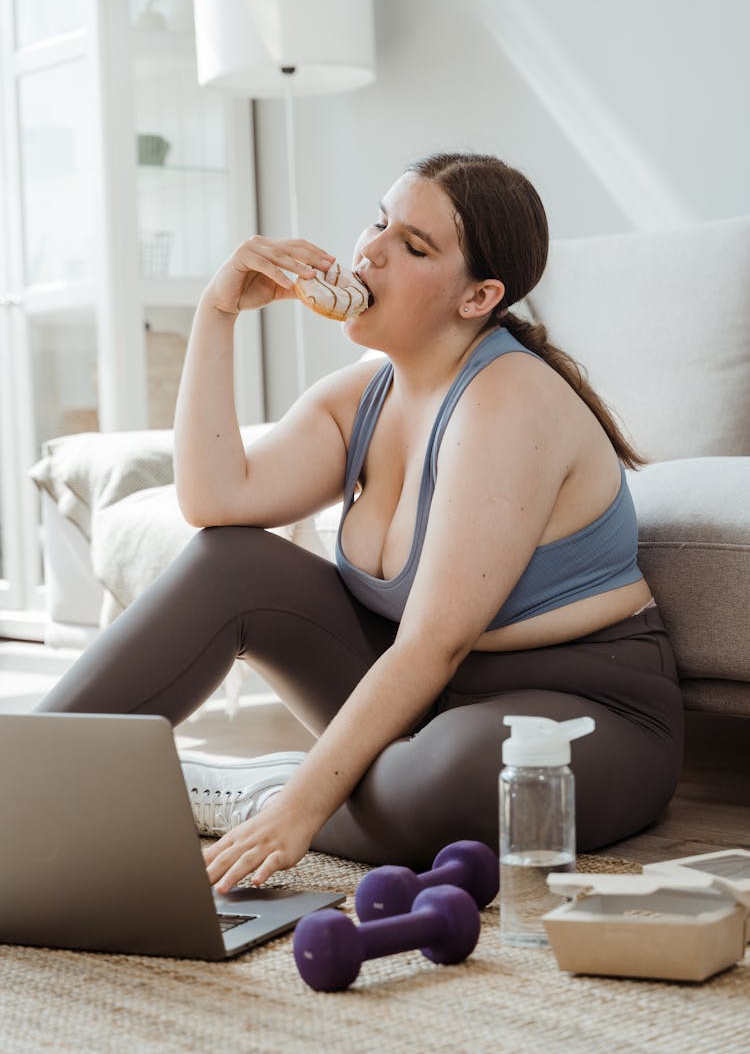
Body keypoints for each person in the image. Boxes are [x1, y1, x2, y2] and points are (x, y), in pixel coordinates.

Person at [37, 152, 683, 894]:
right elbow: (214, 500)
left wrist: (299, 813)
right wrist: (216, 312)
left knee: (429, 792)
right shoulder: (363, 396)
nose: (370, 250)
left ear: (479, 296)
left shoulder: (508, 401)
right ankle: (25, 781)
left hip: (580, 711)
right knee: (231, 562)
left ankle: (263, 791)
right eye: (378, 221)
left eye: (413, 245)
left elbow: (433, 643)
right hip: (430, 702)